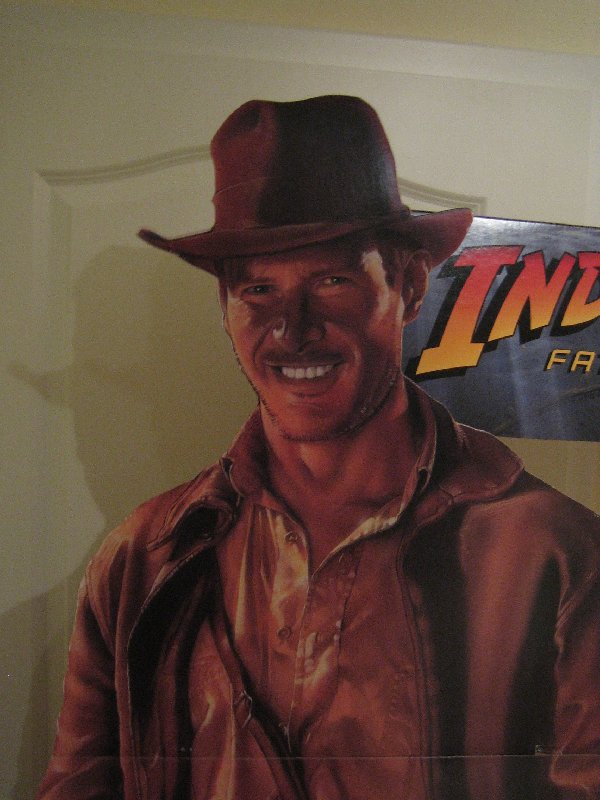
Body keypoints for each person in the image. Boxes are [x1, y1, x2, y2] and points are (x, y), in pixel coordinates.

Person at [38, 96, 600, 800]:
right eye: (258, 289)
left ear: (409, 286)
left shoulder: (559, 554)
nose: (292, 330)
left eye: (331, 281)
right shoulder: (141, 560)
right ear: (225, 309)